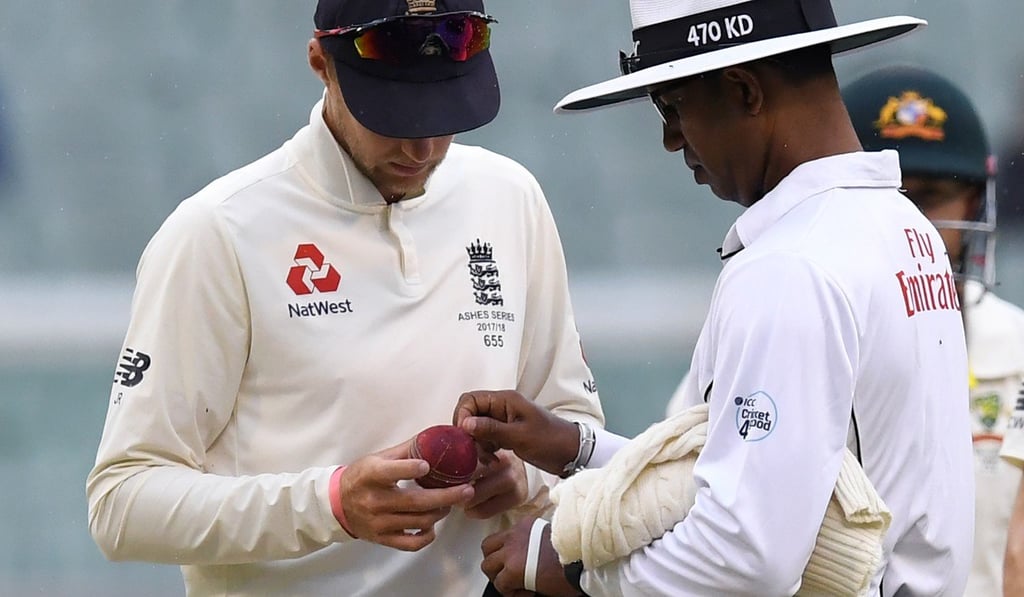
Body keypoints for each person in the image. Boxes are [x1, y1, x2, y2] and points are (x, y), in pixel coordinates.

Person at [453, 1, 974, 595]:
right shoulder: (903, 229)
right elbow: (760, 476)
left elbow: (748, 555)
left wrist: (574, 571)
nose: (671, 139)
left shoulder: (790, 267)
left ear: (744, 91)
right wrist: (577, 446)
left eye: (673, 106)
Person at [85, 1, 604, 595]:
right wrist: (330, 504)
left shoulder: (510, 198)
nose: (423, 148)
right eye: (394, 116)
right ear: (321, 64)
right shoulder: (218, 231)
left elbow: (576, 434)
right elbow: (121, 504)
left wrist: (523, 479)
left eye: (445, 113)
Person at [841, 65, 1024, 597]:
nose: (910, 225)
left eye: (931, 196)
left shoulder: (1021, 352)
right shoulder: (775, 335)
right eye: (891, 196)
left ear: (975, 204)